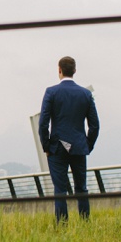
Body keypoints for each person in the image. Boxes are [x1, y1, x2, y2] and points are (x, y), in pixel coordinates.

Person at [38, 56, 100, 223]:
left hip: (57, 148)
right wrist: (87, 145)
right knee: (81, 189)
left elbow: (43, 123)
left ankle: (62, 226)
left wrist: (46, 146)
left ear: (59, 70)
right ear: (74, 71)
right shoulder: (86, 94)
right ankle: (85, 223)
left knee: (60, 190)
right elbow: (94, 125)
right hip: (79, 147)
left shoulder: (51, 92)